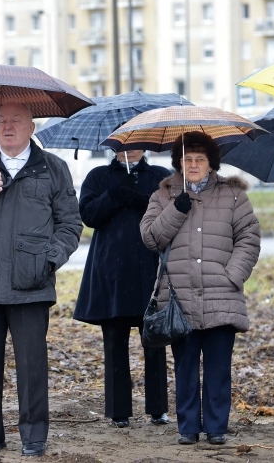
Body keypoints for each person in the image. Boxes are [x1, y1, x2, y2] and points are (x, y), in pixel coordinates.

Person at [0, 102, 83, 457]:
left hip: (31, 283)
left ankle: (34, 437)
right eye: (1, 121)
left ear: (32, 127)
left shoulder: (53, 168)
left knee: (32, 365)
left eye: (15, 121)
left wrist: (48, 260)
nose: (7, 127)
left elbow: (70, 224)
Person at [140, 131, 260, 446]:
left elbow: (249, 237)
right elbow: (151, 238)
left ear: (211, 163)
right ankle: (188, 428)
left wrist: (232, 275)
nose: (192, 164)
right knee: (186, 368)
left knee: (219, 369)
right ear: (178, 162)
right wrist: (176, 209)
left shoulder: (233, 196)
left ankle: (217, 427)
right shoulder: (163, 195)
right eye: (187, 159)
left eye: (199, 159)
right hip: (179, 297)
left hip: (222, 295)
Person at [73, 149, 171, 428]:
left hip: (149, 268)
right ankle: (119, 411)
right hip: (110, 271)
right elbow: (89, 215)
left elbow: (170, 218)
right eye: (122, 144)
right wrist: (116, 194)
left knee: (154, 339)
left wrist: (143, 201)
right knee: (115, 342)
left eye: (135, 143)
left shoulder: (160, 177)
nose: (129, 149)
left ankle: (158, 408)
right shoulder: (98, 176)